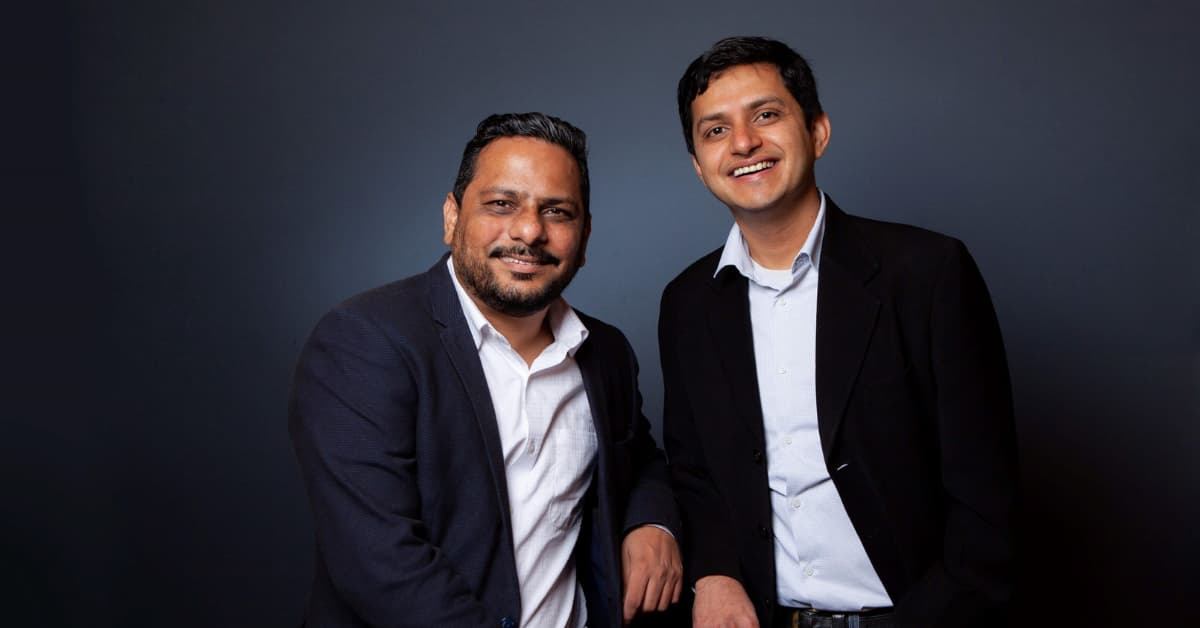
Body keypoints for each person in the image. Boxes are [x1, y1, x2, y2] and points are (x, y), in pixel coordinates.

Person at [659, 37, 1017, 628]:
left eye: (765, 115)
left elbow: (986, 498)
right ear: (699, 166)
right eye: (716, 130)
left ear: (818, 132)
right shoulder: (686, 303)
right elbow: (694, 470)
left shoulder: (928, 273)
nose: (743, 143)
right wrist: (715, 573)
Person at [289, 112, 682, 628]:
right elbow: (380, 564)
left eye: (557, 212)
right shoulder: (364, 340)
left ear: (584, 237)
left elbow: (640, 459)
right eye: (501, 204)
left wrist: (653, 523)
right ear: (452, 217)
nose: (529, 231)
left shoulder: (604, 351)